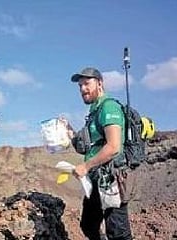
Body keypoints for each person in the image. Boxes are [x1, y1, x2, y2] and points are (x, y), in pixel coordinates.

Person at [65, 67, 132, 240]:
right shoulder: (94, 112)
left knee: (118, 233)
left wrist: (85, 166)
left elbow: (114, 146)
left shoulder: (109, 107)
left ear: (100, 83)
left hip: (111, 178)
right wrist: (68, 130)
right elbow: (85, 147)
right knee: (88, 225)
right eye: (80, 86)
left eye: (87, 84)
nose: (82, 89)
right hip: (96, 178)